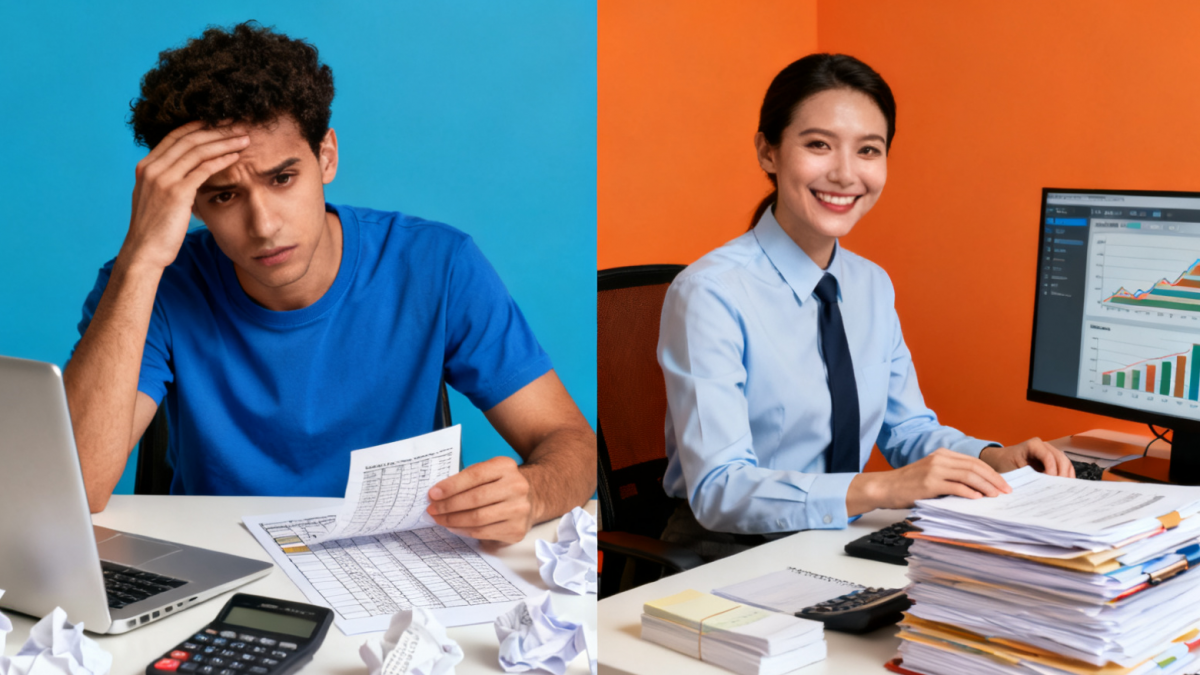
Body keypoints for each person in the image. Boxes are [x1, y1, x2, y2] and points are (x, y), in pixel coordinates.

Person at [63, 22, 596, 544]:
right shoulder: (146, 283)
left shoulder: (438, 264)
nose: (264, 225)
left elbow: (572, 444)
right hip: (221, 565)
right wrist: (140, 259)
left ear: (326, 155)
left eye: (282, 178)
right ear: (190, 202)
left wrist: (532, 491)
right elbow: (76, 488)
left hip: (395, 563)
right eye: (223, 196)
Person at [656, 53, 1073, 560]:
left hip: (836, 537)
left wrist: (992, 457)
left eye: (869, 151)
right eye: (818, 145)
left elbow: (908, 430)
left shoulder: (870, 284)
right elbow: (720, 489)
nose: (845, 174)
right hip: (725, 549)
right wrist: (883, 489)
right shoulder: (709, 293)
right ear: (768, 152)